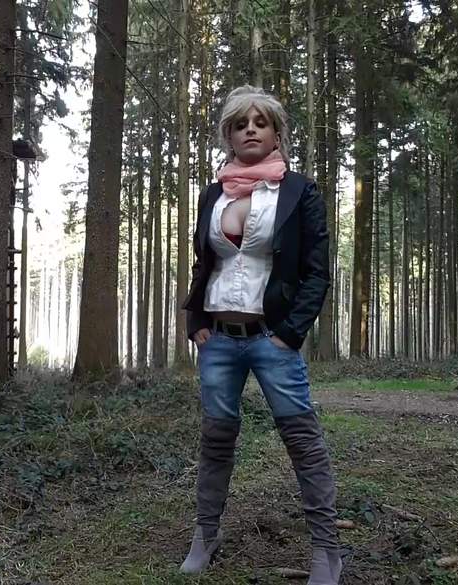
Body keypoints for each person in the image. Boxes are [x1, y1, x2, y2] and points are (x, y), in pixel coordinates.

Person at [180, 85, 341, 585]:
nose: (250, 129)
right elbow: (204, 263)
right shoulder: (214, 193)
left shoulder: (299, 192)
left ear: (276, 133)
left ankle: (327, 551)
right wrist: (195, 321)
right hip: (217, 340)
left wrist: (290, 334)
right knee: (216, 439)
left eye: (260, 122)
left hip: (272, 338)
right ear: (228, 135)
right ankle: (206, 535)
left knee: (302, 439)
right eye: (240, 123)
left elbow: (317, 272)